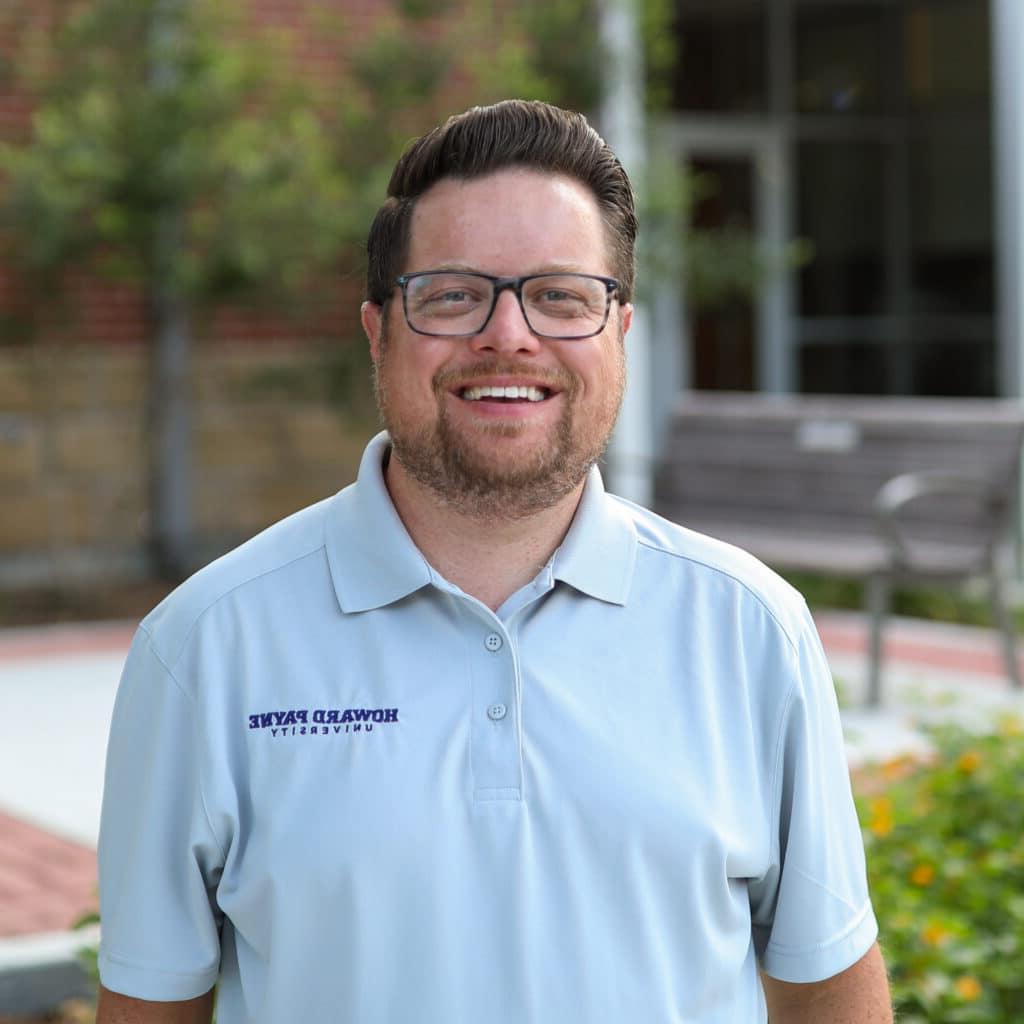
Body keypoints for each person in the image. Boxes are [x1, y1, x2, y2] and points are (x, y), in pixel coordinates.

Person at [96, 99, 892, 1023]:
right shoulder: (205, 648)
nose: (509, 335)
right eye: (451, 293)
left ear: (621, 333)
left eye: (561, 295)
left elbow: (829, 989)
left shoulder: (753, 630)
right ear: (377, 331)